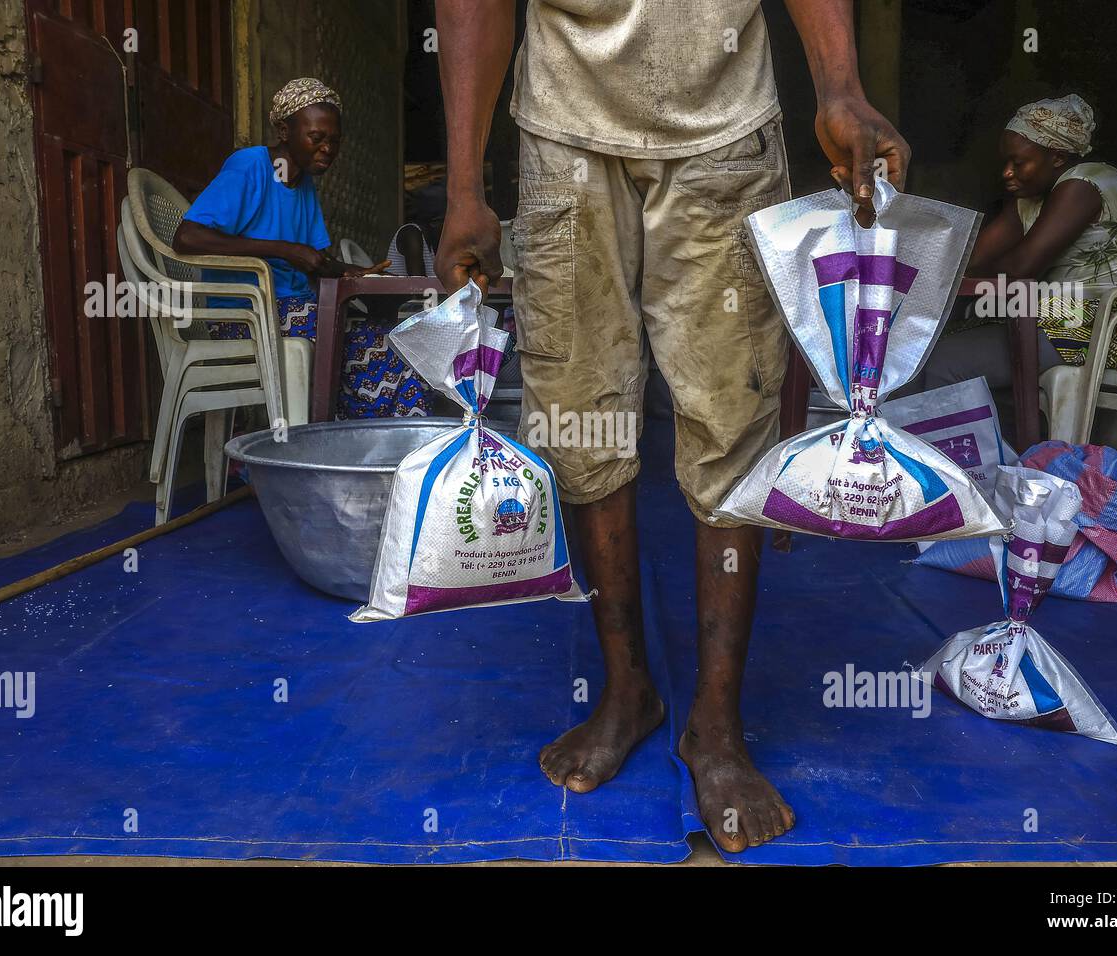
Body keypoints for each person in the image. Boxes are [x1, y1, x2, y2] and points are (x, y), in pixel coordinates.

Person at [434, 0, 909, 852]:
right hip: (562, 132)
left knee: (731, 419)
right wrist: (465, 185)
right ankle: (628, 692)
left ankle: (716, 726)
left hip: (724, 130)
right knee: (583, 420)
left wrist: (840, 83)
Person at [173, 77, 431, 418]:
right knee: (376, 345)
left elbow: (315, 259)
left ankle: (391, 451)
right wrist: (285, 250)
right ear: (284, 131)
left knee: (401, 341)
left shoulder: (304, 184)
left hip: (299, 311)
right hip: (249, 316)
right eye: (317, 138)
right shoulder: (250, 167)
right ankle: (347, 441)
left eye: (335, 141)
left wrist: (354, 274)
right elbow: (186, 238)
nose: (327, 148)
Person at [916, 93, 1117, 394]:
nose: (1007, 173)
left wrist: (967, 271)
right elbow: (974, 258)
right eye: (1005, 162)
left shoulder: (1086, 183)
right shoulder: (1030, 199)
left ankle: (957, 442)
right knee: (926, 348)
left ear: (1057, 156)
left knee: (944, 362)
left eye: (1019, 163)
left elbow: (1021, 266)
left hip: (1112, 332)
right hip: (1056, 322)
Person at [384, 183, 444, 277]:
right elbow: (418, 284)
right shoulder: (412, 234)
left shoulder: (432, 242)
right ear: (434, 222)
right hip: (401, 291)